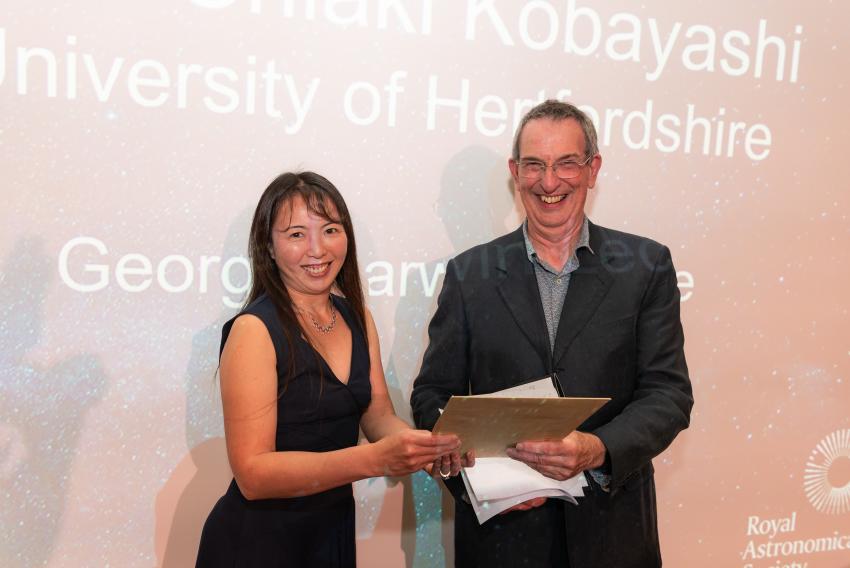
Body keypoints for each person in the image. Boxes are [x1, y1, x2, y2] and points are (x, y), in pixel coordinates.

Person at [410, 100, 693, 567]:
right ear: (514, 172)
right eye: (534, 165)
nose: (549, 182)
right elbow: (432, 396)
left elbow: (668, 395)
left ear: (593, 168)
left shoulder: (647, 266)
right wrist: (474, 478)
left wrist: (598, 449)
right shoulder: (469, 274)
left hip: (615, 537)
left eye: (567, 163)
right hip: (502, 537)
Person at [196, 171, 462, 567]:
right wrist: (374, 461)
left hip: (331, 534)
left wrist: (424, 449)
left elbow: (377, 414)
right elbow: (252, 476)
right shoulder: (254, 330)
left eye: (330, 230)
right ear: (268, 247)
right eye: (296, 234)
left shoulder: (357, 317)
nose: (317, 249)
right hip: (257, 544)